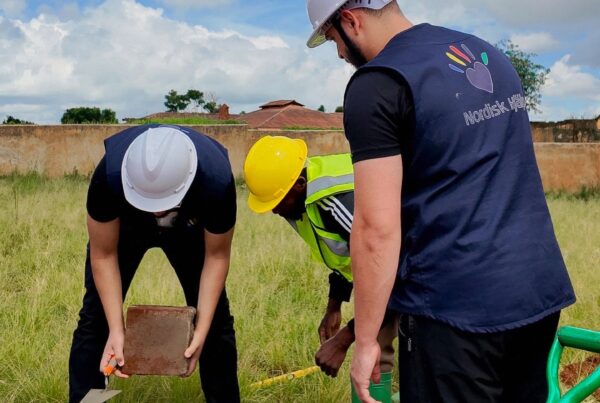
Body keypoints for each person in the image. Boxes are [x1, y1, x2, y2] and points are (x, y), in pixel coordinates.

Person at [305, 1, 576, 402]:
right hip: (536, 293)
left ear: (350, 20)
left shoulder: (377, 84)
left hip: (453, 313)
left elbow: (376, 229)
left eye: (333, 41)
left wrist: (365, 341)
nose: (341, 54)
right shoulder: (487, 54)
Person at [68, 124, 239, 402]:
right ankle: (88, 399)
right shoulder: (109, 176)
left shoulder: (215, 181)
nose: (157, 211)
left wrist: (201, 331)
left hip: (189, 223)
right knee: (95, 318)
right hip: (127, 222)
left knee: (215, 323)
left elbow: (216, 257)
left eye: (164, 202)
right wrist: (116, 329)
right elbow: (104, 255)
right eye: (150, 202)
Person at [243, 135, 397, 401]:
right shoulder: (303, 203)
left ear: (299, 184)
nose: (274, 211)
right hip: (393, 267)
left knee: (419, 356)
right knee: (373, 352)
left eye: (278, 201)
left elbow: (391, 272)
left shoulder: (334, 201)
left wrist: (345, 338)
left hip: (425, 266)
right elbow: (347, 253)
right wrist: (334, 306)